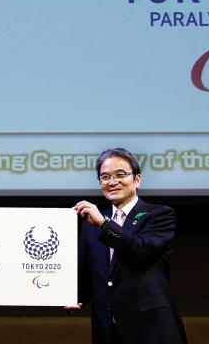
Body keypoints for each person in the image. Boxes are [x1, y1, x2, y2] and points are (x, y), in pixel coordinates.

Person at [71, 147, 188, 344]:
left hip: (152, 329)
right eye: (105, 177)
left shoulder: (159, 215)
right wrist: (73, 296)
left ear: (137, 180)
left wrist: (103, 224)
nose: (112, 182)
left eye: (120, 174)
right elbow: (87, 275)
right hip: (107, 330)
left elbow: (139, 250)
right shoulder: (91, 225)